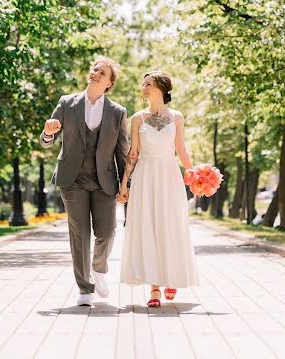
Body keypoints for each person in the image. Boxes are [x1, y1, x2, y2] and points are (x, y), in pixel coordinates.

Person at [40, 56, 128, 307]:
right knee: (79, 235)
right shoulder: (67, 103)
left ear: (109, 83)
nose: (96, 73)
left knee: (107, 232)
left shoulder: (117, 111)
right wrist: (48, 132)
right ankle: (84, 288)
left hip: (104, 180)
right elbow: (47, 138)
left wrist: (125, 186)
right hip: (72, 179)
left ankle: (99, 267)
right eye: (94, 69)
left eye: (102, 73)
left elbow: (122, 152)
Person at [117, 70, 199, 307]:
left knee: (170, 225)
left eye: (148, 84)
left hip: (169, 175)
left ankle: (171, 276)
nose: (143, 88)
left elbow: (182, 150)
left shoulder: (177, 117)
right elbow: (133, 154)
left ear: (162, 88)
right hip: (145, 176)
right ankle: (154, 289)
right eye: (143, 84)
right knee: (148, 226)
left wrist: (195, 177)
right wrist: (124, 184)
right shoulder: (137, 119)